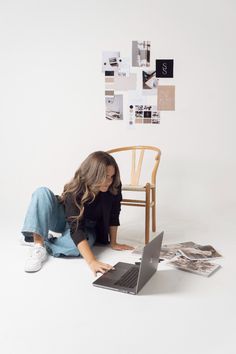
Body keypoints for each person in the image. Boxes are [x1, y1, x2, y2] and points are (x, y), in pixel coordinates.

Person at [22, 151, 133, 275]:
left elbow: (114, 213)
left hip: (87, 226)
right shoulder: (75, 189)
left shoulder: (114, 186)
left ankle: (43, 238)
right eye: (106, 176)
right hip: (63, 217)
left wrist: (113, 242)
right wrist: (92, 262)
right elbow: (75, 228)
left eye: (112, 176)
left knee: (75, 248)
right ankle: (38, 245)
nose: (110, 181)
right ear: (94, 174)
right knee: (41, 192)